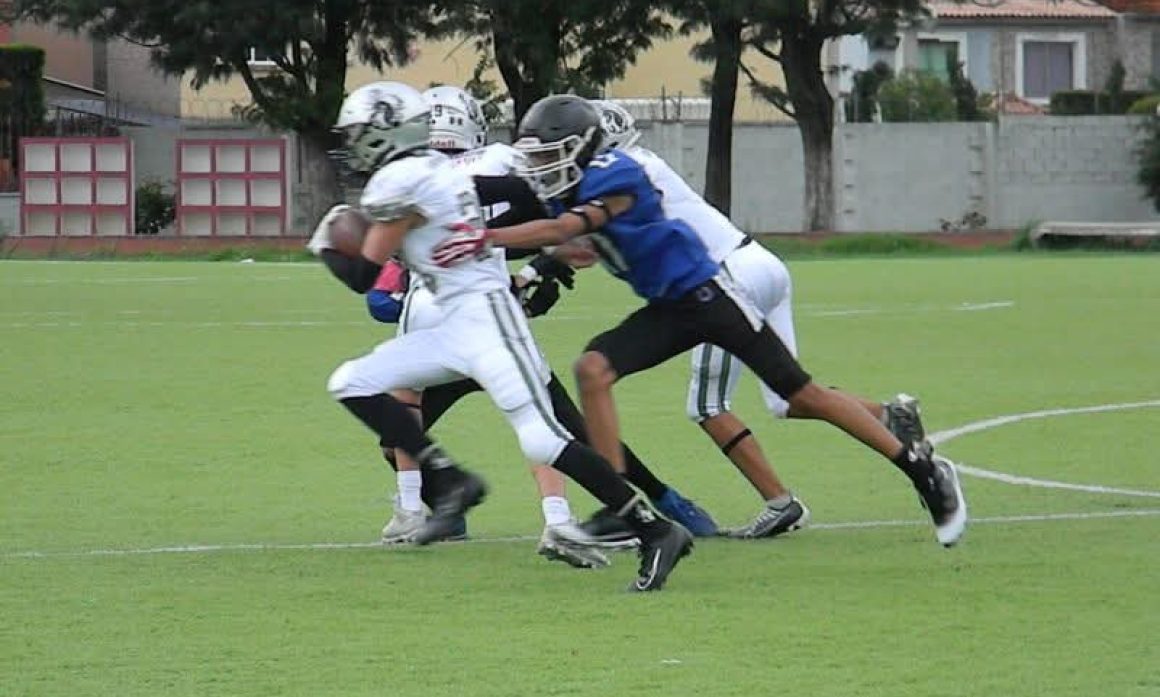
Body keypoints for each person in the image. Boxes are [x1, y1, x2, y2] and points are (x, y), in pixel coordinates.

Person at [432, 95, 967, 548]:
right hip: (669, 308)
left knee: (798, 395)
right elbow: (562, 229)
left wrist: (488, 238)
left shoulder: (621, 171)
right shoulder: (573, 182)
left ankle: (922, 469)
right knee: (593, 368)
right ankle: (623, 503)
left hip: (712, 296)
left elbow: (569, 225)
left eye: (550, 153)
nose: (541, 165)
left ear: (580, 146)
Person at [310, 81, 694, 592]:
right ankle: (450, 482)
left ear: (384, 130)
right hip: (453, 324)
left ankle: (655, 530)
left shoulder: (403, 177)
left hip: (488, 322)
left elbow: (362, 276)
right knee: (354, 382)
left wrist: (325, 241)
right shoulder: (432, 170)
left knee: (543, 436)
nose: (354, 142)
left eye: (359, 132)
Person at [586, 99, 930, 539]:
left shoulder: (618, 173)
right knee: (789, 397)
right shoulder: (642, 163)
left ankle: (780, 501)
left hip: (724, 278)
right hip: (760, 263)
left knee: (707, 406)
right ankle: (889, 414)